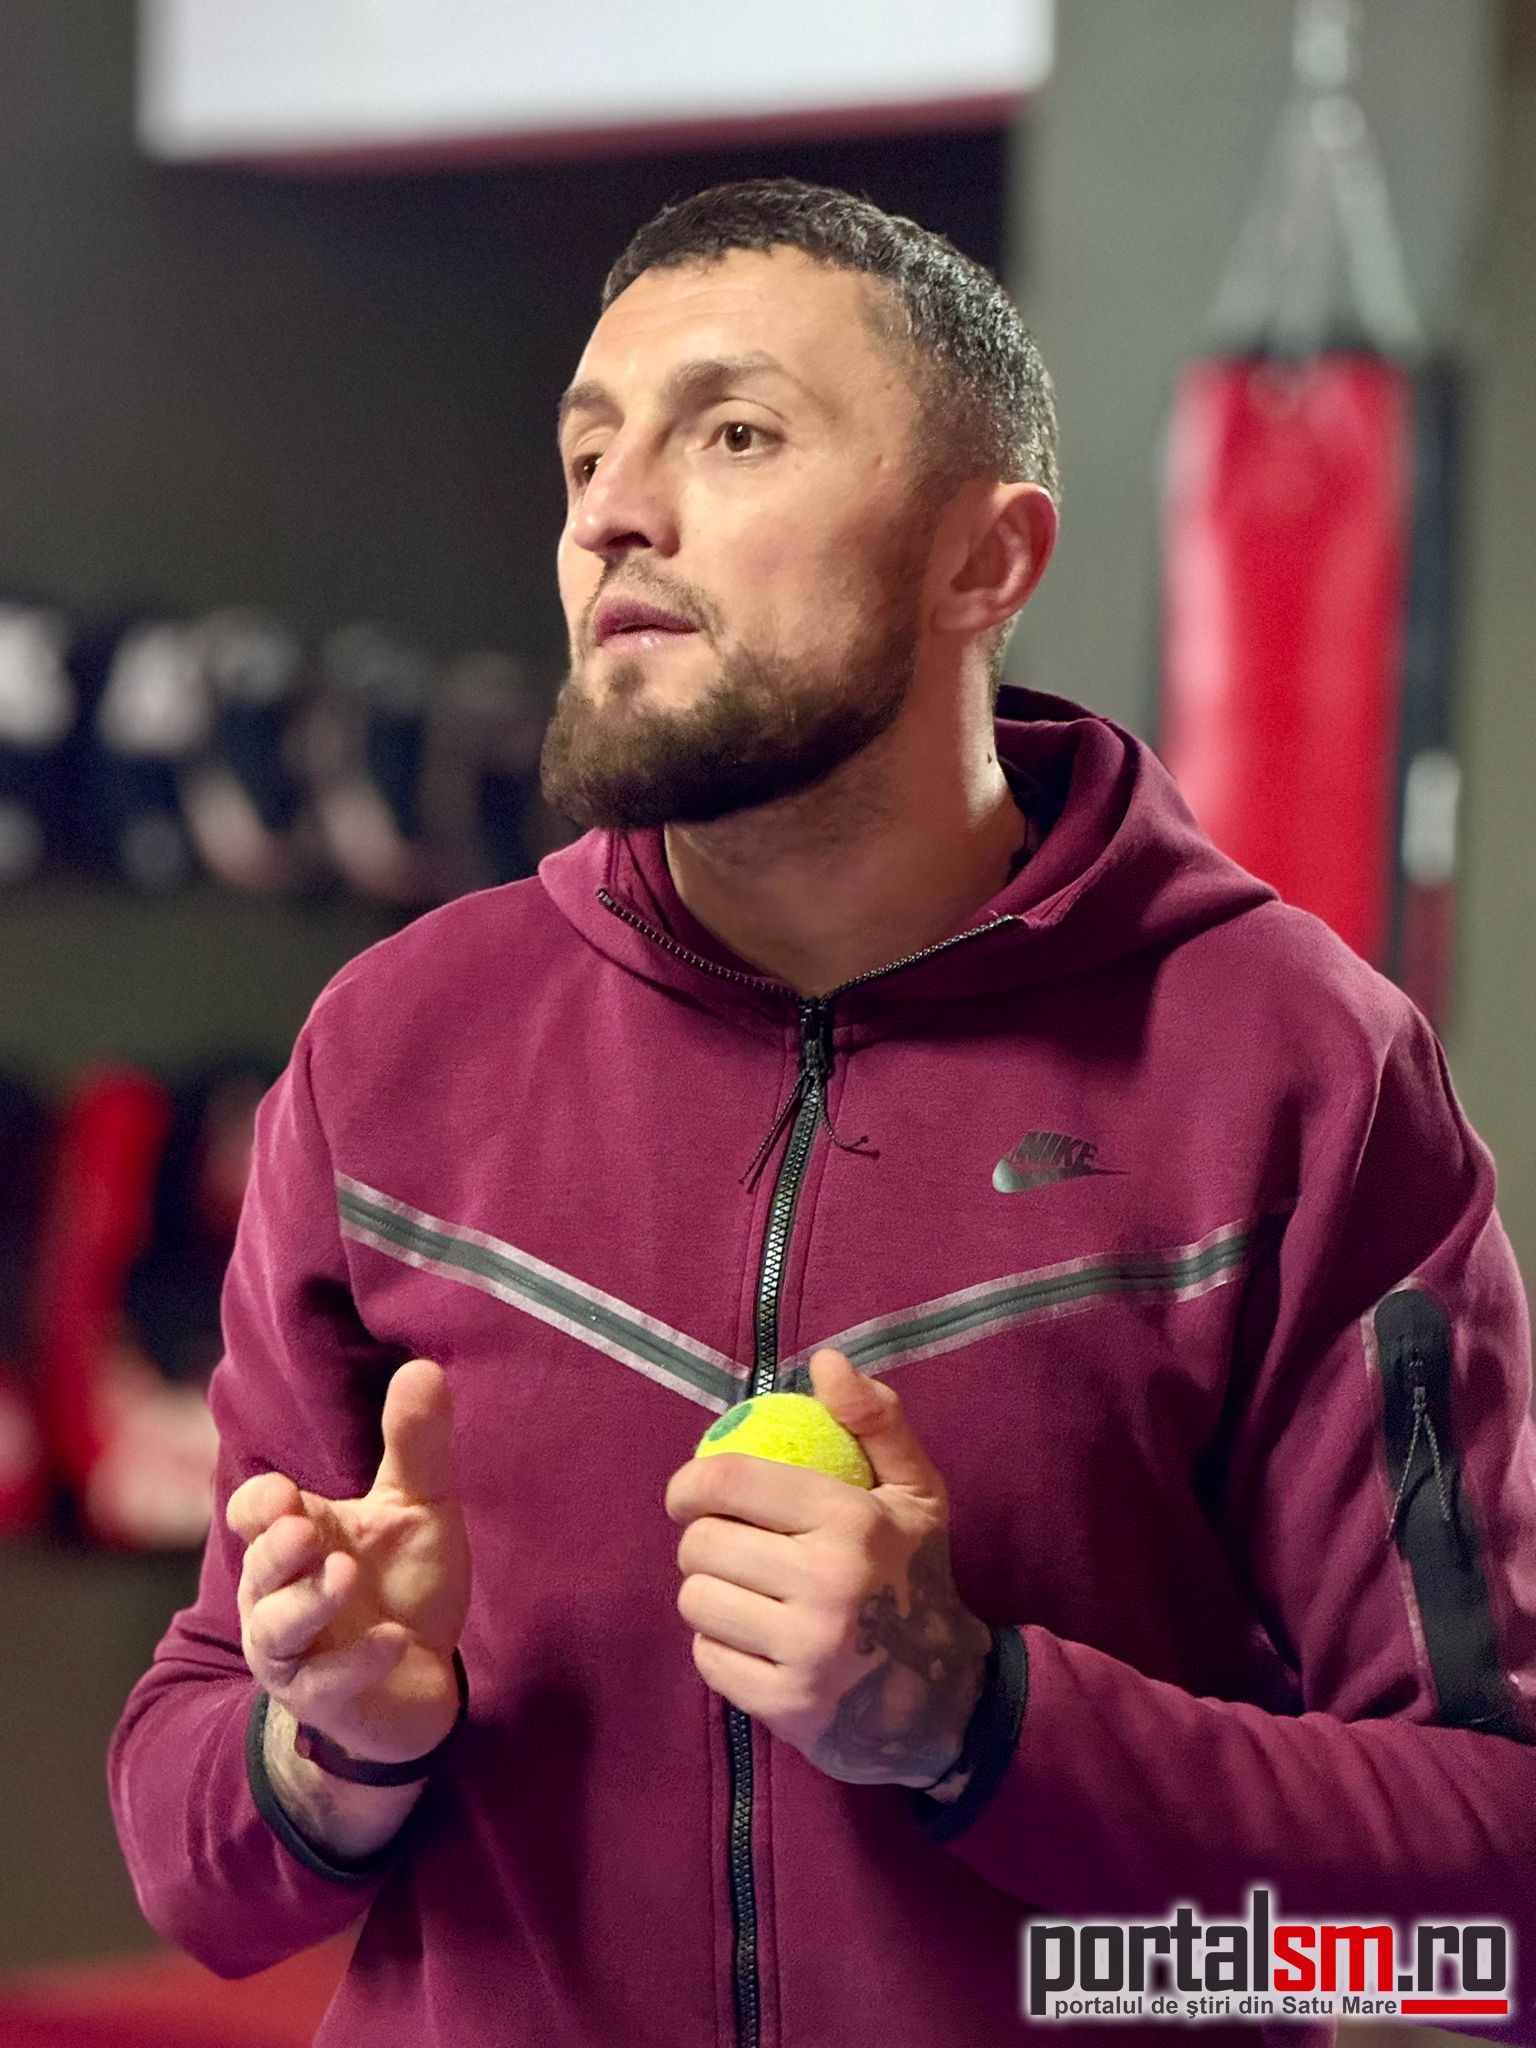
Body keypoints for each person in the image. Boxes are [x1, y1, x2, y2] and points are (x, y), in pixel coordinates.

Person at [107, 178, 1536, 2048]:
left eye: (736, 433)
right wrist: (335, 1753)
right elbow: (194, 1861)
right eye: (588, 451)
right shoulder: (394, 1052)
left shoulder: (1297, 1072)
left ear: (984, 563)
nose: (614, 509)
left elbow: (1480, 1909)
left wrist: (977, 1722)